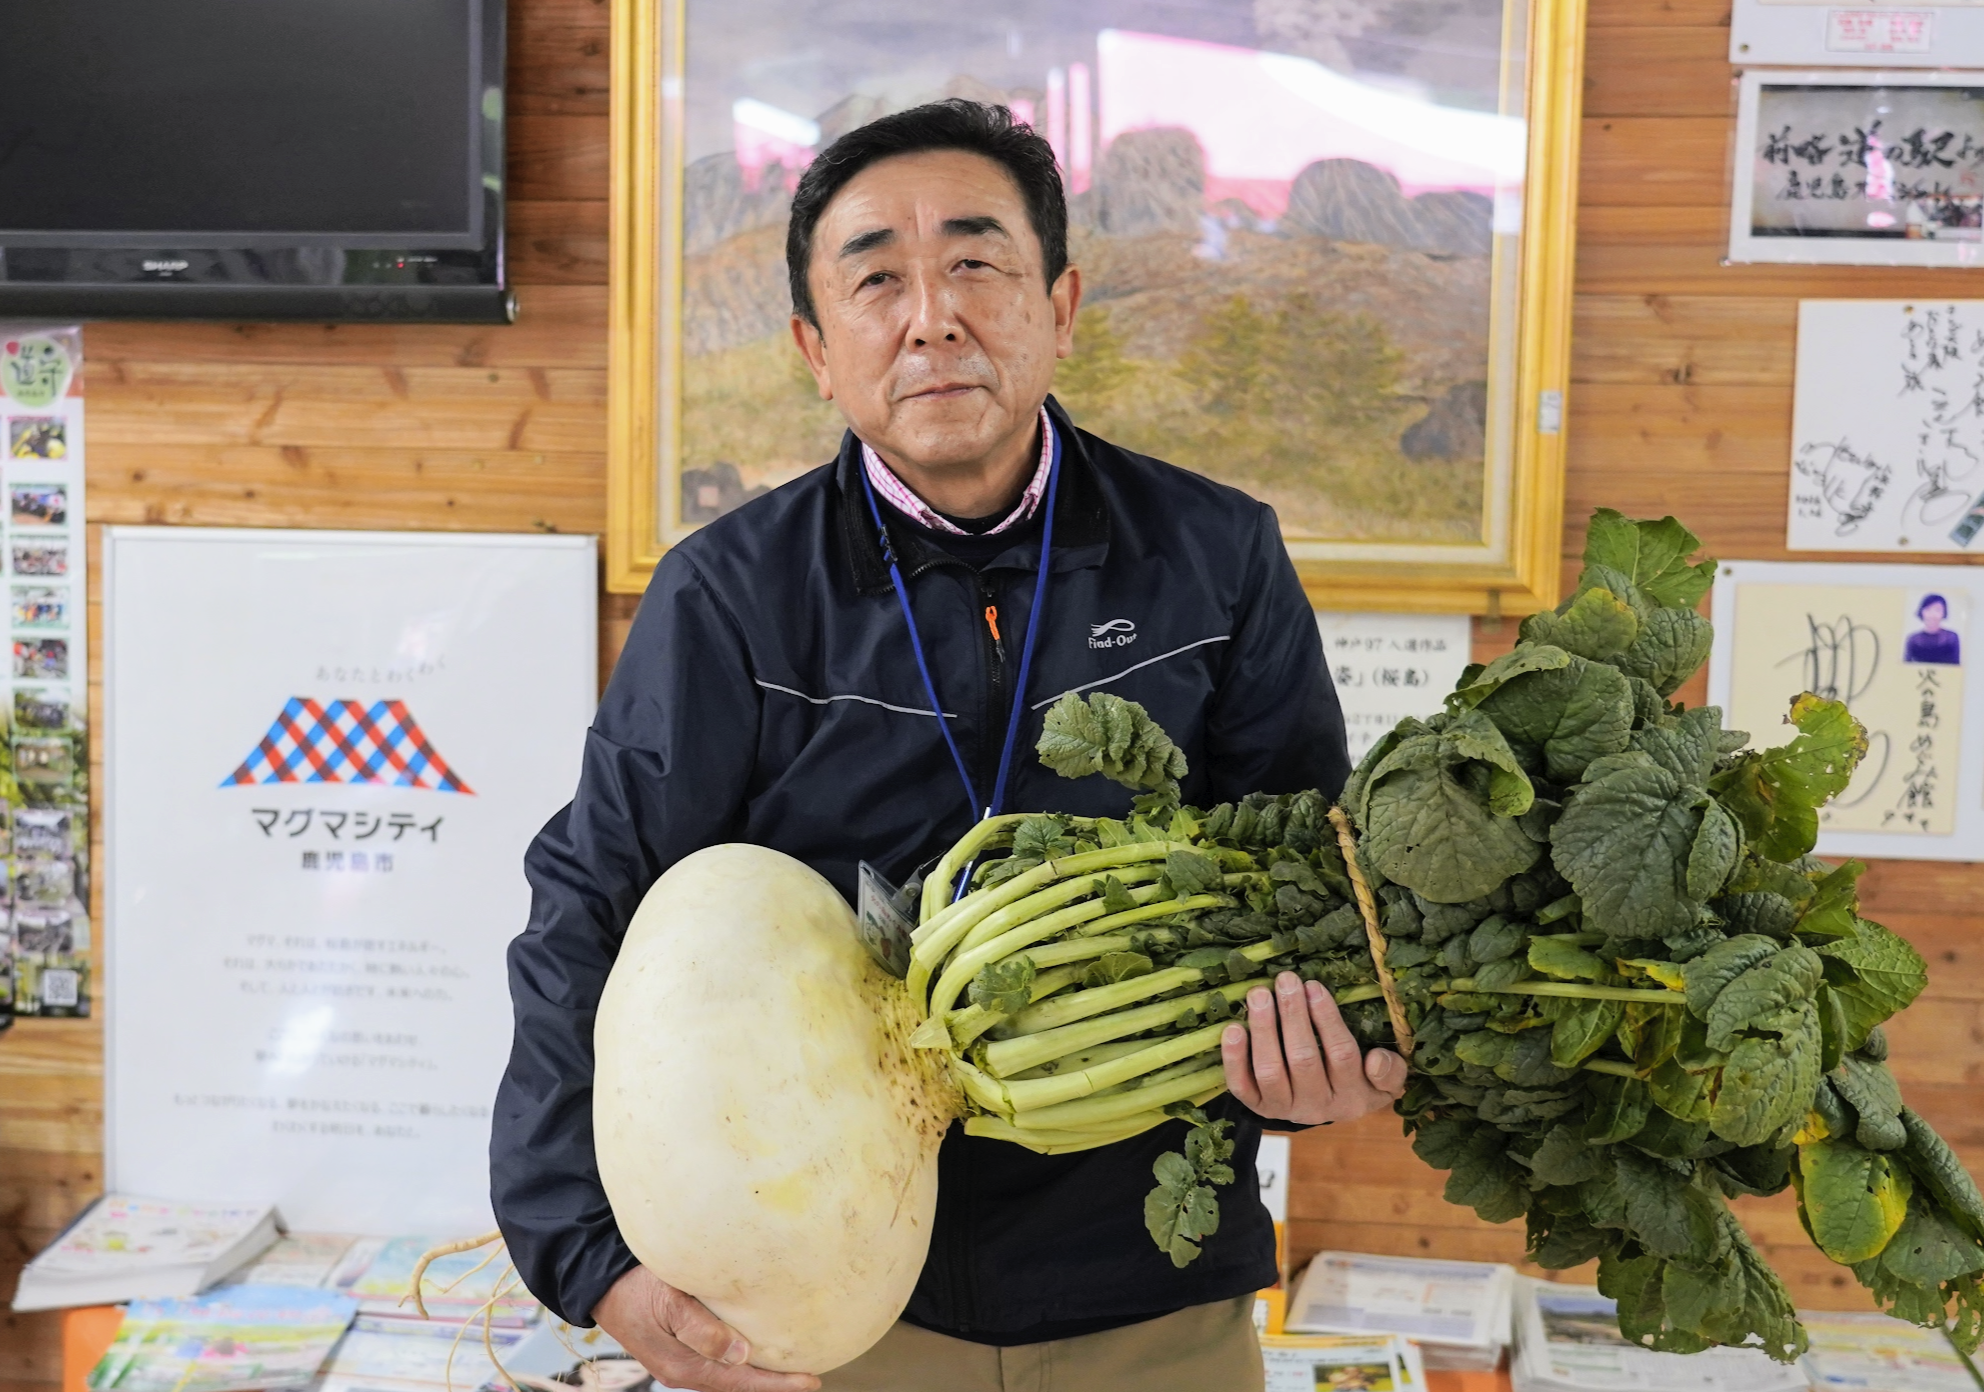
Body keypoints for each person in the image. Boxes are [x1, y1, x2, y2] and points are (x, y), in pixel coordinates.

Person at [491, 100, 1409, 1392]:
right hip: (837, 1303)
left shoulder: (1216, 556)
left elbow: (1316, 889)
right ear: (817, 348)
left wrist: (1313, 1066)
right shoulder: (728, 597)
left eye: (977, 263)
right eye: (877, 280)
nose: (934, 318)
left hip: (1148, 1293)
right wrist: (583, 1250)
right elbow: (590, 901)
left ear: (1062, 304)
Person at [1904, 593, 1960, 665]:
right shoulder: (1913, 639)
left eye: (1937, 610)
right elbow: (1906, 666)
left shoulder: (1952, 637)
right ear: (1921, 612)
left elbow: (1956, 667)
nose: (1932, 615)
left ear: (1944, 613)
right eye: (1928, 609)